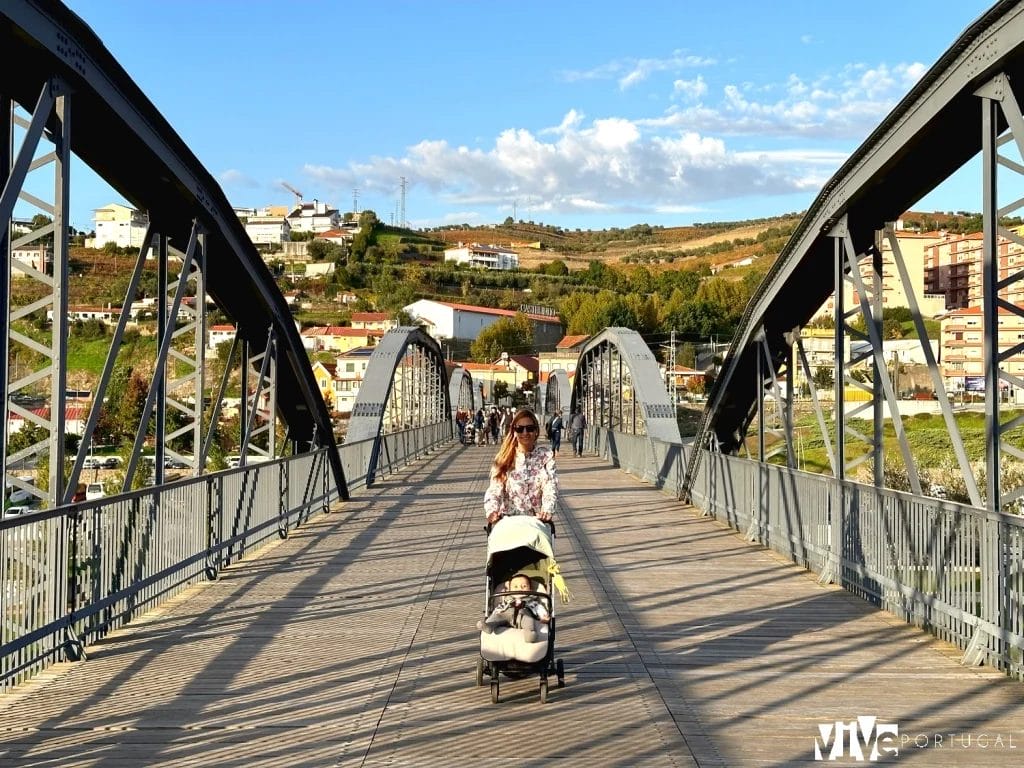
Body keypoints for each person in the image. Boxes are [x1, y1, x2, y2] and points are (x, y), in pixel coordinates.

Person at [483, 407, 557, 526]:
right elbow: (495, 488)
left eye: (530, 428)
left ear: (536, 431)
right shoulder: (503, 458)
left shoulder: (546, 457)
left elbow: (550, 486)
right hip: (508, 522)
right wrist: (492, 510)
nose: (525, 433)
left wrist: (547, 510)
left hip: (536, 522)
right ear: (514, 431)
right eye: (520, 429)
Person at [477, 573, 550, 642]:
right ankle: (489, 625)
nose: (520, 588)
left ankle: (529, 634)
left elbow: (539, 608)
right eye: (515, 586)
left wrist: (543, 616)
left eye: (524, 586)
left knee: (529, 621)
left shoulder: (531, 601)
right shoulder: (507, 600)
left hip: (524, 615)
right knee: (497, 617)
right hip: (506, 615)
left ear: (530, 590)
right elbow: (500, 607)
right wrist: (495, 613)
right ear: (509, 590)